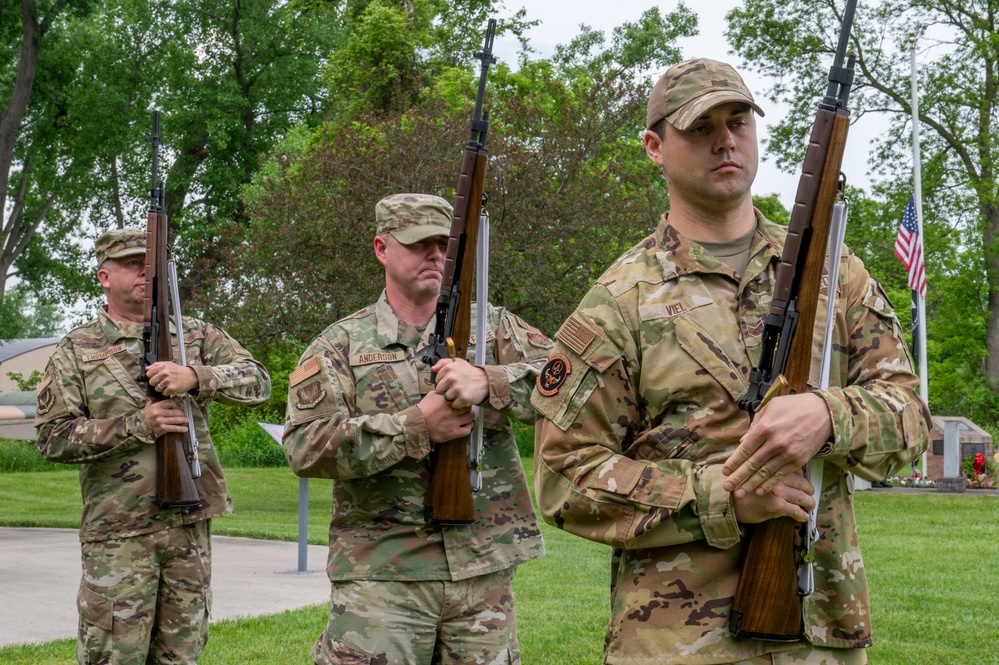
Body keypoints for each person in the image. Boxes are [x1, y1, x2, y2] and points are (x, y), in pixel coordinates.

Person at [531, 58, 932, 665]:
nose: (725, 140)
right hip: (675, 644)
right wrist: (722, 497)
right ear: (654, 147)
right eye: (699, 127)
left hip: (819, 636)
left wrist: (829, 416)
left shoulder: (834, 274)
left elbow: (912, 419)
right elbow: (564, 476)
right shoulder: (620, 301)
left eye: (739, 121)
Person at [283, 193, 553, 664]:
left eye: (444, 245)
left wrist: (490, 381)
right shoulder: (339, 344)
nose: (435, 256)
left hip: (481, 574)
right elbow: (305, 447)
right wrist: (416, 426)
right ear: (382, 248)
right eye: (418, 243)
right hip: (382, 574)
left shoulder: (493, 330)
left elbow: (571, 383)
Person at [35, 227, 271, 665]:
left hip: (188, 525)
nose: (145, 272)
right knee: (114, 654)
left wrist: (199, 376)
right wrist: (137, 425)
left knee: (181, 654)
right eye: (131, 264)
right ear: (104, 276)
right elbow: (52, 438)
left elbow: (259, 381)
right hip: (117, 534)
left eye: (153, 265)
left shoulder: (193, 334)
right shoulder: (75, 349)